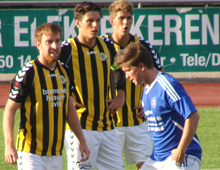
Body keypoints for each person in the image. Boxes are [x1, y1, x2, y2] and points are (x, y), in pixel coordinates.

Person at [3, 23, 90, 170]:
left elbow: (69, 108)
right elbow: (9, 110)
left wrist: (82, 140)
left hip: (55, 154)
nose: (54, 46)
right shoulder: (29, 73)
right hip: (31, 153)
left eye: (57, 41)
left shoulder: (65, 71)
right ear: (39, 45)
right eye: (49, 42)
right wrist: (9, 144)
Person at [115, 41, 202, 170]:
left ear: (141, 66)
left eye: (128, 71)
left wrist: (181, 150)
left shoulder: (166, 84)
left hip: (182, 156)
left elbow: (193, 116)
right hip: (158, 158)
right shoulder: (146, 92)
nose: (126, 76)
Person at [60, 1, 126, 170]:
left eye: (98, 21)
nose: (95, 25)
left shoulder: (107, 46)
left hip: (108, 127)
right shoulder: (66, 50)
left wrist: (121, 96)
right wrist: (68, 98)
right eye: (90, 21)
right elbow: (50, 76)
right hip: (81, 127)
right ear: (77, 23)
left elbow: (119, 69)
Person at [106, 0, 164, 169]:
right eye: (121, 18)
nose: (125, 23)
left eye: (129, 18)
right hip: (111, 125)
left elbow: (159, 79)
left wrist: (150, 106)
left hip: (137, 122)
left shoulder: (143, 46)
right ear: (112, 21)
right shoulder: (102, 45)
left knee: (149, 167)